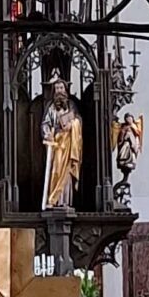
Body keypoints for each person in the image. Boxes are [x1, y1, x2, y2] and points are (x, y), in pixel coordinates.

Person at [41, 69, 83, 210]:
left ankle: (65, 201)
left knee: (67, 172)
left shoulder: (71, 105)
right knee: (56, 171)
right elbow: (45, 123)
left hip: (69, 142)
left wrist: (73, 124)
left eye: (61, 88)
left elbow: (78, 120)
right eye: (57, 88)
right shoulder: (51, 107)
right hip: (56, 142)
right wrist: (47, 133)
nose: (59, 90)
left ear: (65, 90)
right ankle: (54, 199)